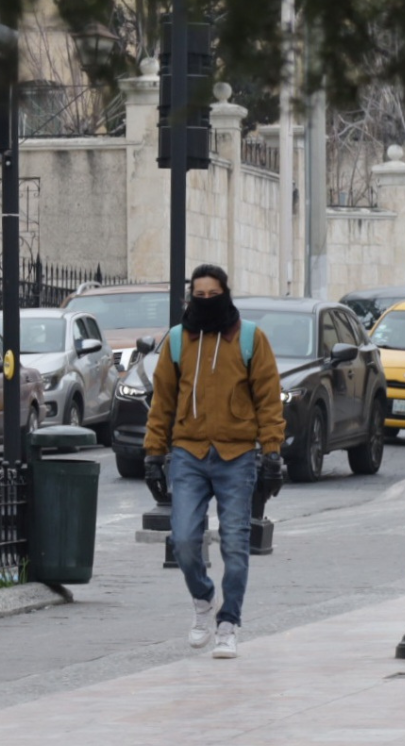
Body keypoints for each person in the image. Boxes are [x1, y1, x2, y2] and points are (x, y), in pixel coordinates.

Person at [143, 264, 285, 659]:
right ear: (189, 297)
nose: (206, 301)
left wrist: (272, 452)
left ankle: (228, 623)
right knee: (185, 541)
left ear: (226, 293)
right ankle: (203, 600)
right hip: (188, 453)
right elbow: (162, 404)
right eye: (198, 295)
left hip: (236, 455)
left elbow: (269, 400)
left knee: (236, 545)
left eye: (213, 294)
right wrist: (154, 454)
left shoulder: (250, 339)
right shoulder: (176, 341)